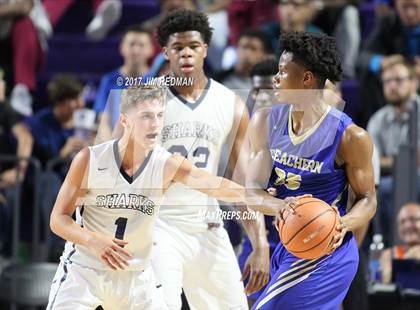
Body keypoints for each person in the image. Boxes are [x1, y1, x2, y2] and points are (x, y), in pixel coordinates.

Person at [46, 84, 282, 309]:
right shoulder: (90, 159)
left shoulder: (165, 164)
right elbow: (58, 219)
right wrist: (92, 240)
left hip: (137, 278)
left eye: (160, 115)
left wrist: (263, 200)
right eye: (146, 116)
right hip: (85, 271)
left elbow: (214, 184)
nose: (155, 124)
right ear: (124, 120)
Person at [247, 31, 377, 309]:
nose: (275, 78)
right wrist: (279, 205)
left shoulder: (351, 137)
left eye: (283, 71)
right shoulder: (264, 120)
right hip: (291, 241)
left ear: (306, 79)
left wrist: (342, 224)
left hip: (328, 248)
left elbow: (368, 199)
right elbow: (252, 192)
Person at [153, 9, 271, 309]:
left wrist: (260, 242)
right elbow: (119, 169)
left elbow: (243, 181)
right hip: (158, 225)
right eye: (178, 47)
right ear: (165, 52)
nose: (186, 54)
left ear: (205, 49)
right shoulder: (145, 99)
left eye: (193, 46)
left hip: (207, 225)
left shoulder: (230, 103)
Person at [367, 59, 420, 244]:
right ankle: (384, 247)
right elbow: (371, 161)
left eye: (398, 80)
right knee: (375, 190)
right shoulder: (378, 119)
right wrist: (403, 160)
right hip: (388, 180)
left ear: (414, 82)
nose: (392, 86)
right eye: (387, 82)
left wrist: (389, 161)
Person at [93, 25, 154, 141]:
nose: (136, 50)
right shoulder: (109, 81)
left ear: (151, 50)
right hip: (115, 142)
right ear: (122, 48)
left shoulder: (158, 81)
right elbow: (103, 121)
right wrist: (111, 150)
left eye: (141, 45)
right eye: (131, 44)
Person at [380, 202, 420, 283]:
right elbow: (384, 286)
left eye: (413, 219)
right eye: (402, 222)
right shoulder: (390, 254)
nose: (407, 225)